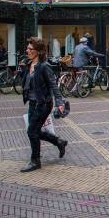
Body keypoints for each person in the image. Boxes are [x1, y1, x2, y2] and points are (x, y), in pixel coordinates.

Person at [20, 37, 67, 172]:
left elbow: (53, 85)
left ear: (38, 51)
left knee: (31, 131)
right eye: (27, 48)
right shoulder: (29, 64)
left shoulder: (44, 66)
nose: (27, 50)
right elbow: (27, 83)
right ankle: (59, 142)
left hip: (43, 104)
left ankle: (35, 161)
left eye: (30, 49)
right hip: (32, 103)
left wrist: (59, 102)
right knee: (35, 131)